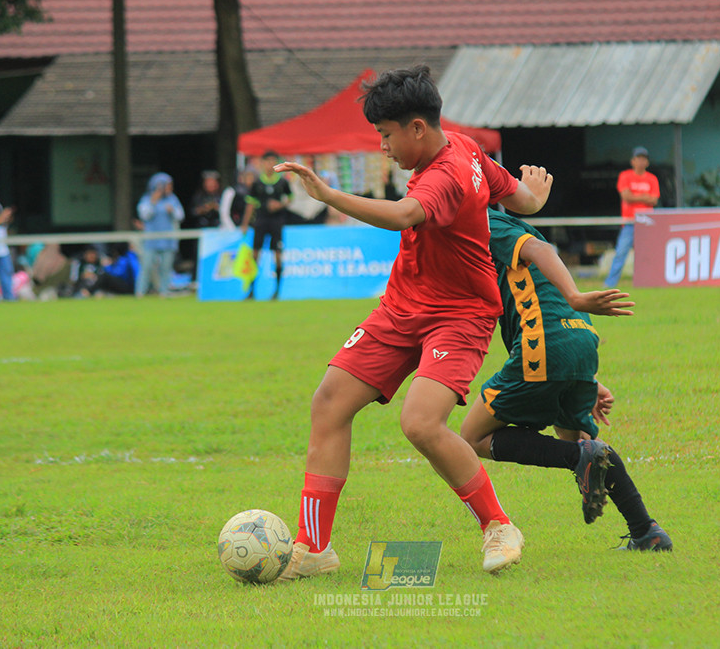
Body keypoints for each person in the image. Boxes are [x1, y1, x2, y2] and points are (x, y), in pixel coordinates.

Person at [272, 65, 551, 579]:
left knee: (420, 422)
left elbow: (404, 216)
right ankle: (313, 548)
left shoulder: (446, 173)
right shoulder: (467, 148)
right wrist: (537, 194)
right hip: (402, 307)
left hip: (459, 317)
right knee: (329, 402)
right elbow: (519, 198)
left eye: (386, 135)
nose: (383, 147)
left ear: (417, 128)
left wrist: (329, 196)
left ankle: (498, 525)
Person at [460, 207, 672, 551]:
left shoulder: (483, 222)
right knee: (578, 438)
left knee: (472, 436)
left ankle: (579, 459)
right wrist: (588, 375)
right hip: (576, 338)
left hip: (545, 345)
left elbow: (542, 255)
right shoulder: (514, 226)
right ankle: (646, 530)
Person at [604, 146, 659, 288]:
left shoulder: (652, 179)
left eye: (643, 159)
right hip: (629, 222)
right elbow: (626, 196)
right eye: (638, 158)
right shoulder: (625, 176)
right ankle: (610, 284)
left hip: (646, 223)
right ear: (632, 161)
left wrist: (637, 197)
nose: (641, 162)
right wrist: (644, 197)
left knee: (649, 255)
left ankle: (649, 282)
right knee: (620, 253)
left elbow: (654, 200)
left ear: (647, 162)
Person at [246, 150, 292, 299]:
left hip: (276, 221)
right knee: (255, 254)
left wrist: (279, 205)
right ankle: (251, 290)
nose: (270, 164)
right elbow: (251, 204)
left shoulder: (282, 182)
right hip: (261, 221)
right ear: (262, 163)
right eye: (267, 161)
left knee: (277, 255)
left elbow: (290, 199)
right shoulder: (257, 182)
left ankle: (277, 291)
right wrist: (244, 223)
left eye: (273, 161)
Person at [136, 172, 185, 296]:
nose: (169, 188)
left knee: (166, 268)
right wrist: (153, 202)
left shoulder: (172, 199)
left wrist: (172, 210)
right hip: (151, 240)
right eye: (167, 185)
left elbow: (180, 216)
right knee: (146, 267)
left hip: (168, 240)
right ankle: (140, 292)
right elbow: (144, 215)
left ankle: (164, 291)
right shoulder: (147, 199)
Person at [218, 168, 256, 233]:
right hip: (232, 230)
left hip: (249, 230)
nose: (251, 180)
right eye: (247, 176)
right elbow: (224, 213)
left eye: (252, 177)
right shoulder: (230, 191)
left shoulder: (255, 192)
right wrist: (233, 230)